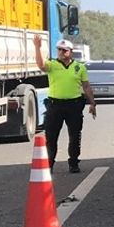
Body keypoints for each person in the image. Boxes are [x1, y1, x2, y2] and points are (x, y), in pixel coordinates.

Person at [34, 38, 97, 173]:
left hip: (73, 105)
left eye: (64, 50)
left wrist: (92, 103)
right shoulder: (52, 65)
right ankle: (49, 164)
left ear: (70, 52)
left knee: (75, 136)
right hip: (55, 105)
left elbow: (86, 86)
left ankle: (73, 163)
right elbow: (40, 65)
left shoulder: (79, 67)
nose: (61, 52)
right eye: (59, 50)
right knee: (51, 137)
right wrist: (37, 48)